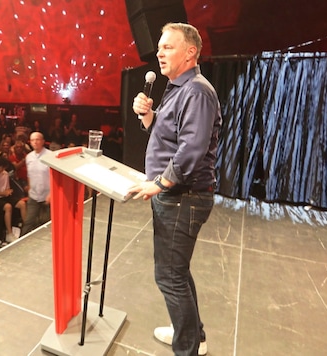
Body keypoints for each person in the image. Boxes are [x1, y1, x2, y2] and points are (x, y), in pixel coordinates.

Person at [128, 23, 222, 356]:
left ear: (190, 52)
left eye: (168, 47)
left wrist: (159, 183)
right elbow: (171, 136)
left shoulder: (196, 90)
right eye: (160, 48)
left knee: (169, 277)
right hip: (178, 197)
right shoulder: (177, 88)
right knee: (176, 272)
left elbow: (191, 149)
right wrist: (150, 116)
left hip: (183, 198)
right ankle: (194, 335)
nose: (160, 53)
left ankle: (187, 349)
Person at [0, 156, 26, 243]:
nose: (3, 169)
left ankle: (26, 227)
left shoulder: (5, 174)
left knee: (22, 203)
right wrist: (2, 193)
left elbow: (7, 188)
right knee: (8, 207)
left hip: (5, 196)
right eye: (1, 167)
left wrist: (8, 191)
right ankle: (9, 233)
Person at [21, 132, 51, 235]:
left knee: (47, 224)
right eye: (32, 140)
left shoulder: (50, 156)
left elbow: (55, 177)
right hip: (33, 195)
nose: (35, 142)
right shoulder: (29, 157)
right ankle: (21, 245)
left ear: (43, 141)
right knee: (29, 222)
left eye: (37, 139)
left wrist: (51, 194)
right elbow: (29, 175)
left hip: (48, 195)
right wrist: (29, 189)